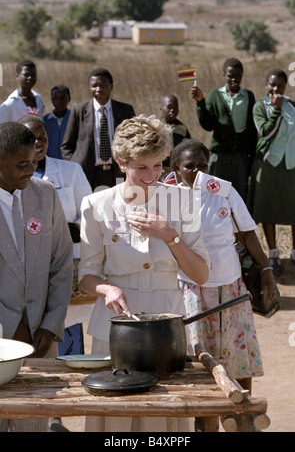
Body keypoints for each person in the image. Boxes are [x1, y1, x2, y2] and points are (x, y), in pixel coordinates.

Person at [78, 115, 210, 432]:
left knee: (165, 420)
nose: (151, 176)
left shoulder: (183, 201)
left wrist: (171, 236)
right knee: (113, 420)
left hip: (166, 329)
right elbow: (86, 276)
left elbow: (201, 275)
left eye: (158, 166)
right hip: (114, 329)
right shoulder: (96, 205)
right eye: (141, 167)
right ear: (122, 162)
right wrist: (107, 289)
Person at [170, 139, 276, 402]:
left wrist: (267, 268)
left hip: (230, 287)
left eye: (202, 165)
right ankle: (204, 419)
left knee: (238, 357)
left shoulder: (224, 192)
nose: (197, 171)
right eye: (189, 166)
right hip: (191, 289)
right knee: (198, 358)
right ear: (175, 168)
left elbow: (248, 235)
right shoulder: (166, 196)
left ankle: (243, 415)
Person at [0, 122, 73, 432]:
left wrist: (50, 324)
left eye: (34, 161)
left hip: (41, 342)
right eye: (21, 164)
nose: (31, 169)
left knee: (34, 424)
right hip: (3, 340)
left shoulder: (45, 194)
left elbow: (62, 264)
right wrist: (9, 330)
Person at [18, 115, 92, 357]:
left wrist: (75, 228)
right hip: (26, 266)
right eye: (31, 138)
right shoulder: (8, 176)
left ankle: (73, 366)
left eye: (43, 138)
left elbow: (91, 213)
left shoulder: (71, 171)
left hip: (64, 260)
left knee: (68, 318)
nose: (38, 143)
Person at [248, 68, 295, 276]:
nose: (276, 89)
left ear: (285, 87)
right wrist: (275, 110)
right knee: (269, 210)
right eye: (272, 85)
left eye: (280, 86)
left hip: (290, 165)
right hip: (268, 165)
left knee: (293, 210)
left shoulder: (292, 105)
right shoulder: (261, 106)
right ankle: (273, 254)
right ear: (266, 85)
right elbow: (266, 134)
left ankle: (294, 252)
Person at [191, 58, 257, 202]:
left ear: (242, 75)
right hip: (219, 156)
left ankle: (237, 225)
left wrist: (251, 159)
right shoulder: (216, 95)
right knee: (216, 195)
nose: (234, 79)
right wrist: (200, 102)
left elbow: (252, 131)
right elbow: (208, 125)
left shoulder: (248, 96)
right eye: (230, 75)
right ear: (224, 76)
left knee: (239, 197)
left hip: (240, 157)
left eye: (237, 75)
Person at [61, 67, 135, 190]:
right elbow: (66, 146)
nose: (98, 89)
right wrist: (75, 166)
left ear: (111, 86)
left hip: (118, 172)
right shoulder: (79, 111)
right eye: (94, 86)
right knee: (90, 207)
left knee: (119, 205)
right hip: (88, 173)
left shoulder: (125, 110)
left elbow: (134, 141)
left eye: (103, 85)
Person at [160, 94, 191, 169]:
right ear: (161, 107)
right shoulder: (157, 126)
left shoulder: (182, 128)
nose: (172, 110)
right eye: (169, 107)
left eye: (175, 108)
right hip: (161, 167)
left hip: (177, 167)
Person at [44, 85, 71, 159]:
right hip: (51, 162)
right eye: (56, 98)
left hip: (70, 162)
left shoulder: (74, 119)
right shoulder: (45, 121)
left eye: (63, 98)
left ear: (69, 99)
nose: (59, 102)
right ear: (52, 100)